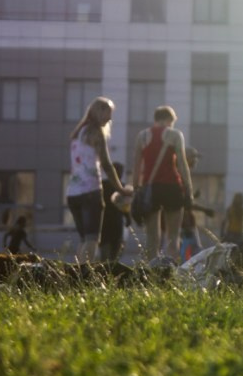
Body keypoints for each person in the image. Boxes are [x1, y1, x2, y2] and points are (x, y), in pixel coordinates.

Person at [66, 96, 130, 264]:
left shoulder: (78, 133)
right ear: (99, 111)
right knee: (93, 239)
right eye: (108, 113)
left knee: (83, 239)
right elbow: (107, 165)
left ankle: (74, 278)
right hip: (90, 191)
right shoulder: (96, 132)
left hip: (73, 192)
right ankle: (84, 279)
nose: (110, 118)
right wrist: (121, 189)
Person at [132, 105, 194, 262]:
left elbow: (137, 165)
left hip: (150, 188)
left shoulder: (142, 136)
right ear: (169, 120)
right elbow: (182, 163)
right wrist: (188, 189)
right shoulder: (174, 134)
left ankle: (151, 274)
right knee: (173, 236)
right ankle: (172, 272)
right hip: (172, 187)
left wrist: (136, 188)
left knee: (152, 238)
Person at [99, 161, 126, 264]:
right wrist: (127, 218)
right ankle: (112, 272)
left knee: (104, 253)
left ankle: (103, 274)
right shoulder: (122, 187)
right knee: (115, 252)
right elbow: (125, 207)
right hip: (117, 222)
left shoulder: (103, 185)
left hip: (103, 222)